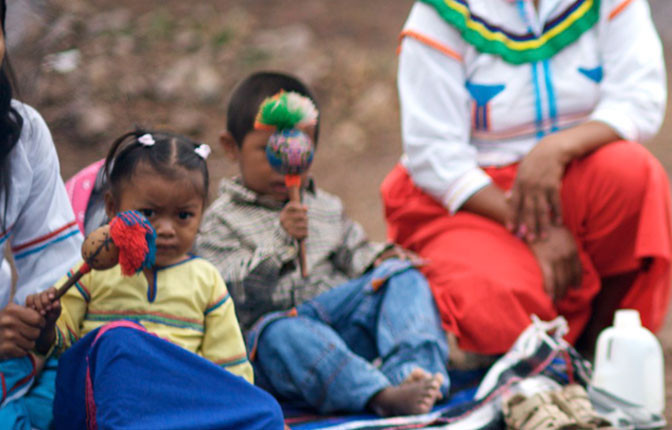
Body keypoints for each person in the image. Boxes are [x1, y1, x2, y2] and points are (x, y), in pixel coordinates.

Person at [383, 0, 672, 360]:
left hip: (569, 174)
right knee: (495, 300)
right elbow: (434, 154)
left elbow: (639, 100)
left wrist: (555, 149)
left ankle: (600, 345)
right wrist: (532, 227)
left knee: (633, 174)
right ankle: (536, 352)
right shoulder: (440, 15)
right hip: (469, 202)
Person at [195, 72, 448, 416]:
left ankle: (413, 374)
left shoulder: (326, 207)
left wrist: (380, 258)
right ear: (231, 147)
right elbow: (228, 289)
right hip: (276, 344)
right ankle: (377, 394)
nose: (284, 163)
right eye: (270, 151)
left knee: (402, 275)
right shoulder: (220, 220)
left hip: (338, 327)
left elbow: (355, 252)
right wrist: (279, 240)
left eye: (298, 148)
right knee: (279, 332)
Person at [25, 130, 251, 382]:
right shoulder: (93, 272)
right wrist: (46, 323)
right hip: (102, 393)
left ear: (201, 214)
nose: (165, 229)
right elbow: (55, 344)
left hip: (176, 401)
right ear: (112, 208)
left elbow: (229, 367)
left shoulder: (207, 280)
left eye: (184, 216)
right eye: (149, 213)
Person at [0, 4, 83, 427]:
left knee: (101, 366)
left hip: (13, 365)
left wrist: (42, 320)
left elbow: (56, 266)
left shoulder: (21, 133)